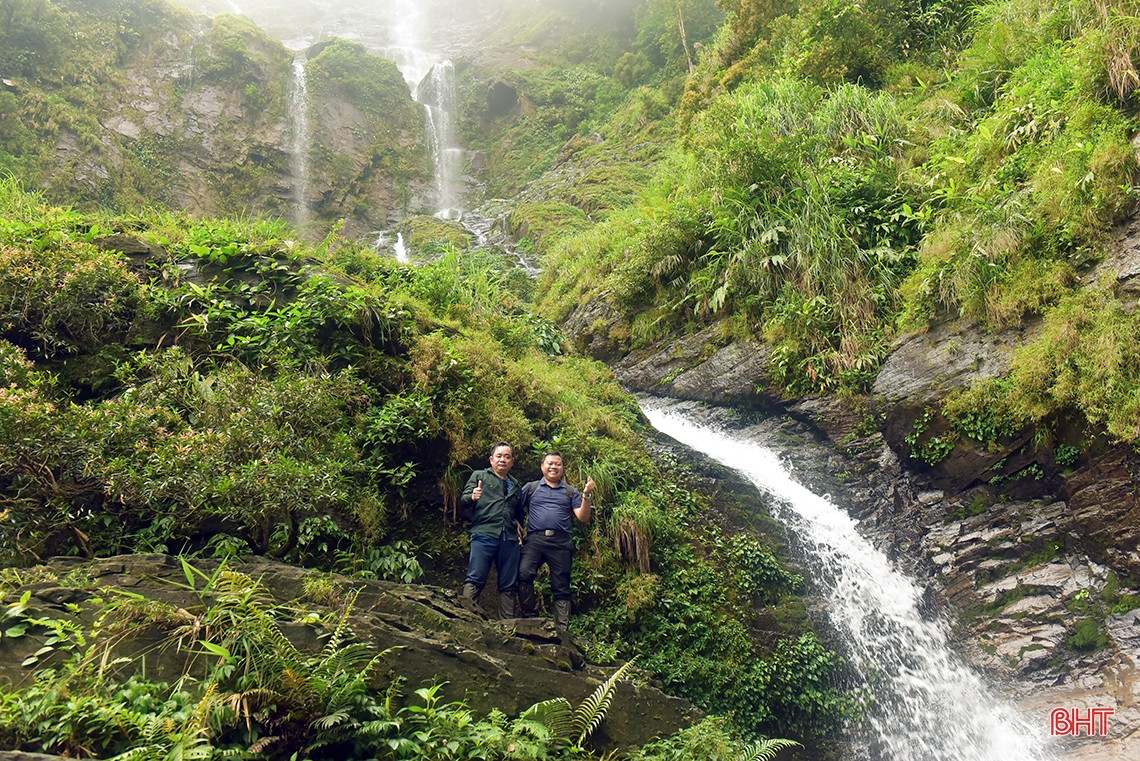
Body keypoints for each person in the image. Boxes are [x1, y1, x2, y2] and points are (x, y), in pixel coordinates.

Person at [518, 451, 594, 633]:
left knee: (561, 584)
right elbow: (513, 508)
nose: (554, 467)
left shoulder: (570, 491)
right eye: (550, 463)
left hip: (561, 542)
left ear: (562, 468)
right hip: (535, 539)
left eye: (558, 464)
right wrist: (516, 526)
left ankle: (562, 628)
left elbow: (583, 517)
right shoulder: (531, 488)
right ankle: (530, 618)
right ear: (542, 466)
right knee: (523, 573)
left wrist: (586, 495)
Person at [459, 441, 525, 619]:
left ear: (512, 461)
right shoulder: (479, 476)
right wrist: (472, 497)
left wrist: (519, 528)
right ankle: (465, 618)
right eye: (499, 456)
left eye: (507, 456)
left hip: (509, 539)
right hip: (484, 533)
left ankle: (508, 626)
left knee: (508, 583)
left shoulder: (516, 485)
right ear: (491, 459)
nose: (502, 459)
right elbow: (463, 500)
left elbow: (519, 514)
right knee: (476, 576)